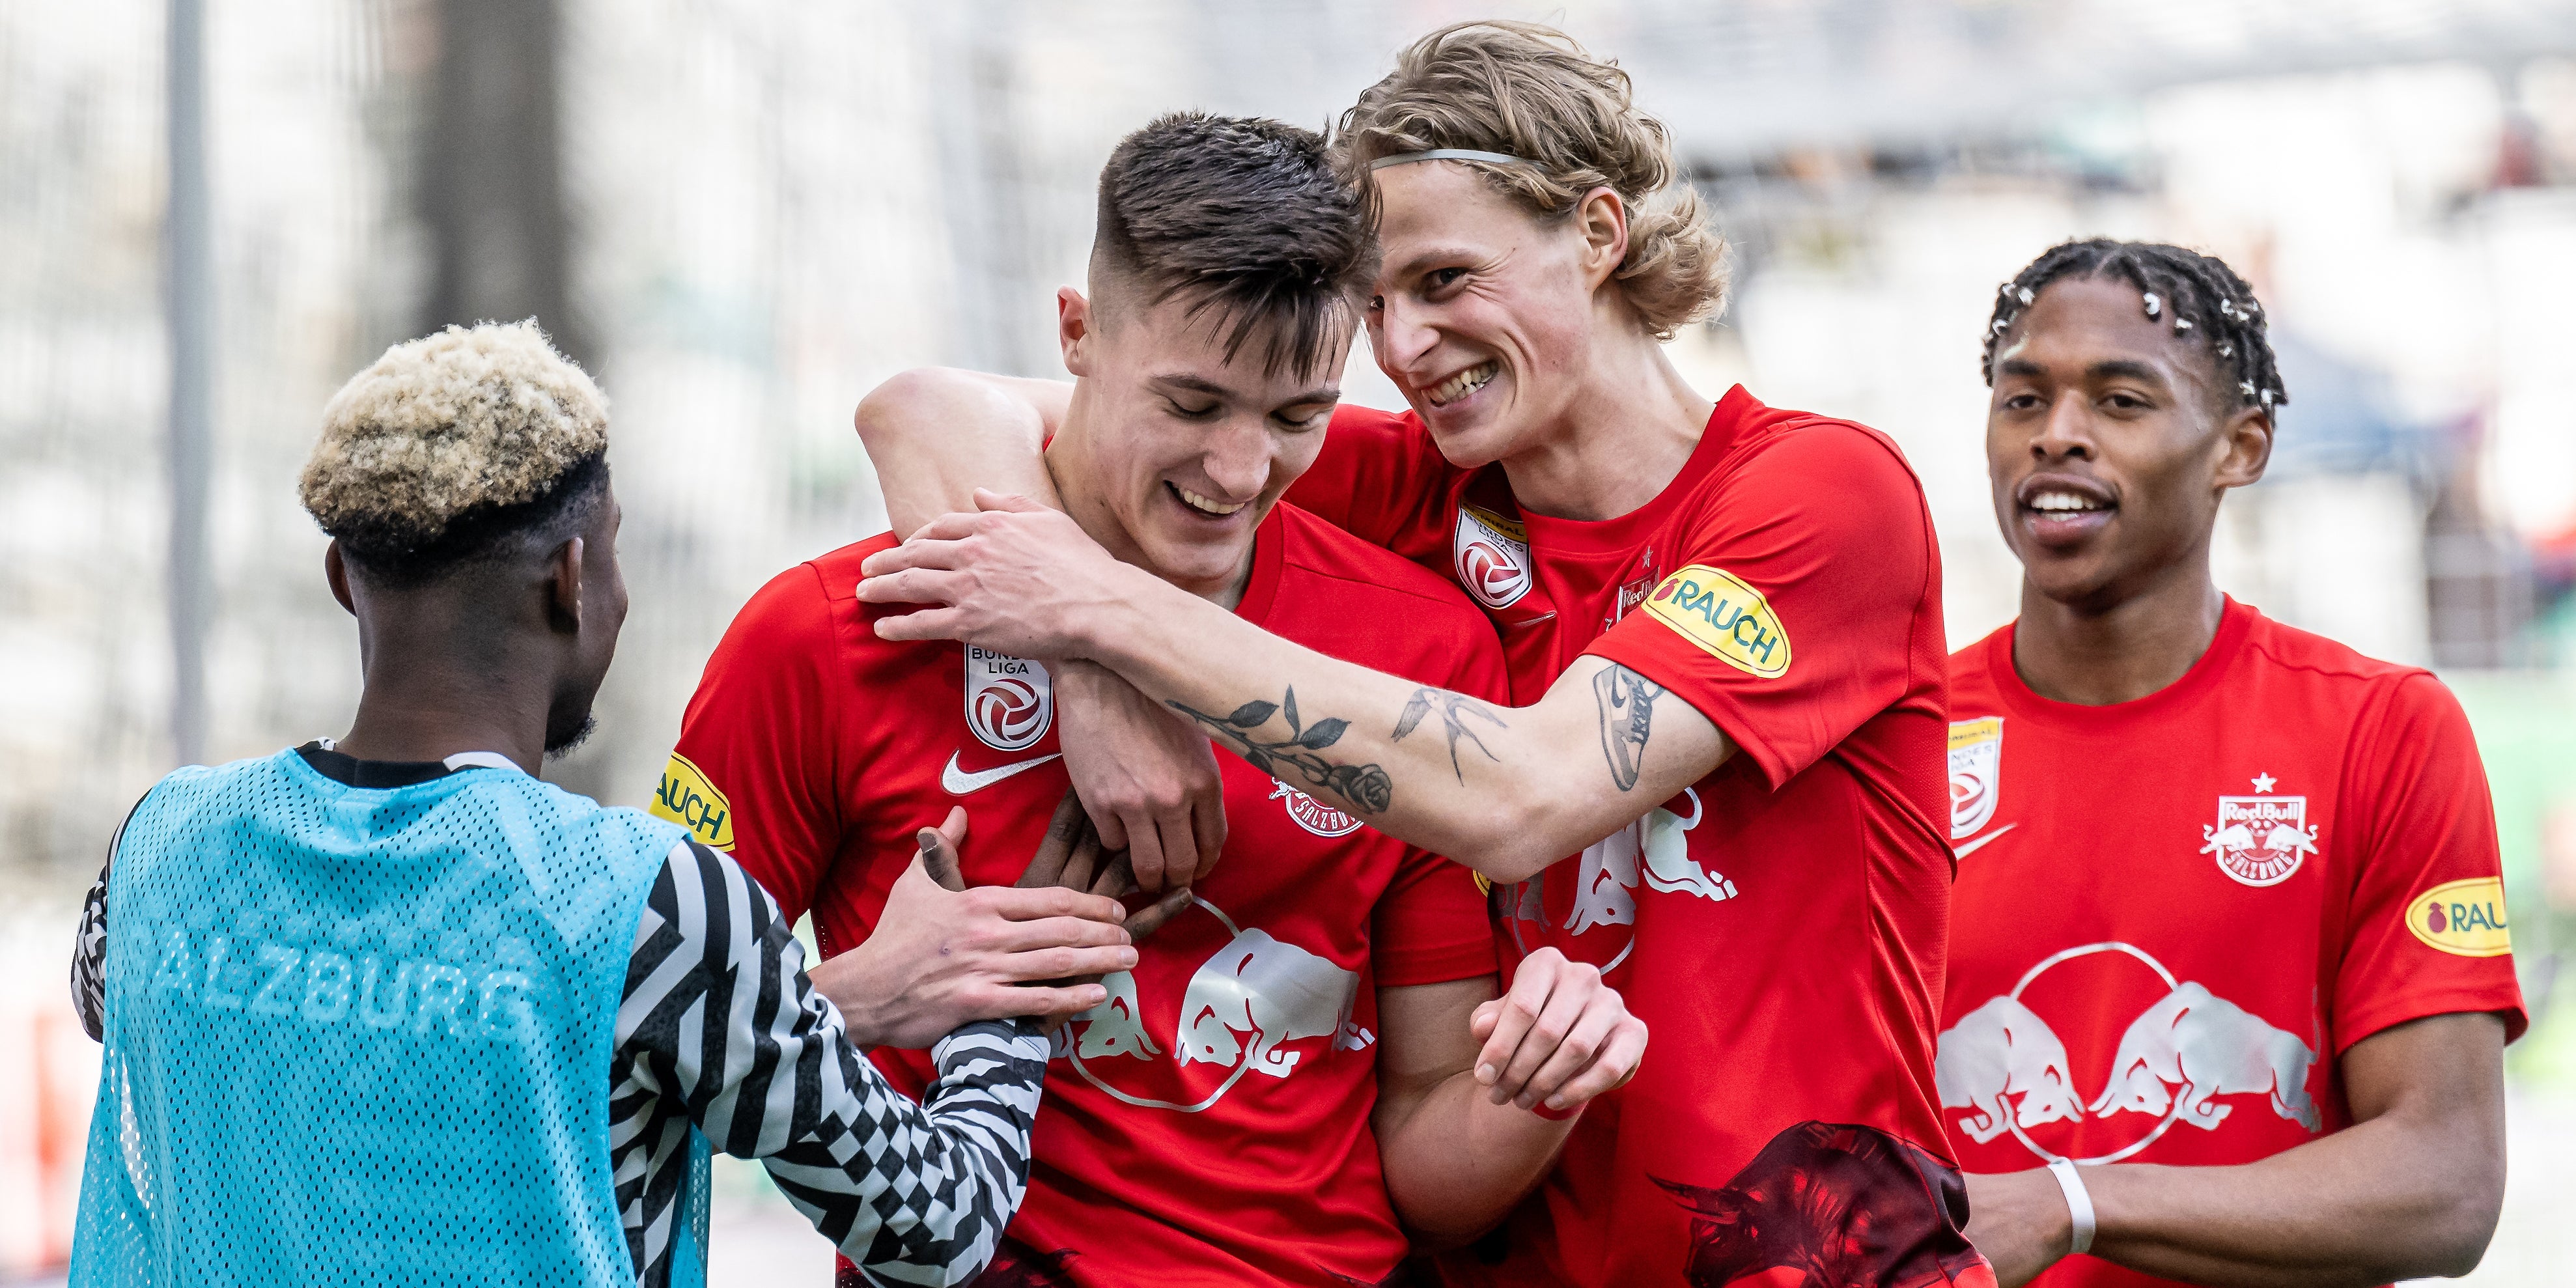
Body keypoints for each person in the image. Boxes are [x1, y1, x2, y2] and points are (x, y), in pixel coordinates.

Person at [850, 23, 1991, 1288]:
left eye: (1446, 279)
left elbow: (1527, 792)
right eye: (1378, 305)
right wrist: (1091, 678)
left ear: (1599, 231)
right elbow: (931, 410)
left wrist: (1102, 613)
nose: (1402, 348)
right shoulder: (1417, 482)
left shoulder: (1822, 492)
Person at [665, 113, 1647, 1288]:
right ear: (1076, 334)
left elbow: (1423, 1172)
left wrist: (1538, 1088)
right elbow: (622, 1055)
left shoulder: (1420, 653)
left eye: (1297, 417)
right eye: (1192, 406)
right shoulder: (828, 635)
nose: (1239, 471)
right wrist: (861, 999)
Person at [65, 322, 1048, 1288]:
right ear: (572, 581)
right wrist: (997, 1011)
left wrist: (824, 1003)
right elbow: (940, 1233)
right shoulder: (652, 901)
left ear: (341, 581)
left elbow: (272, 1015)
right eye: (613, 552)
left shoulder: (160, 848)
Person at [1933, 240, 2525, 1286]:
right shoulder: (1895, 743)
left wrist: (2076, 1203)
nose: (2056, 433)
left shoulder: (2382, 729)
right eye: (2022, 399)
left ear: (2239, 448)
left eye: (2120, 401)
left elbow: (2444, 1181)